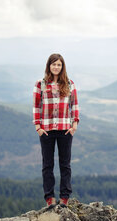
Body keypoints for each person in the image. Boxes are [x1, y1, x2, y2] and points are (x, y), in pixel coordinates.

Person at [33, 53, 79, 208]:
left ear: (62, 67)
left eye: (59, 65)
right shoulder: (40, 84)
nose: (56, 67)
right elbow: (36, 106)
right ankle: (49, 198)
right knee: (48, 165)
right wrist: (38, 126)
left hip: (65, 129)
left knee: (65, 165)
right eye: (54, 64)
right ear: (49, 66)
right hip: (46, 130)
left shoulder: (69, 83)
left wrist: (74, 125)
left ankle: (65, 197)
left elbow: (74, 105)